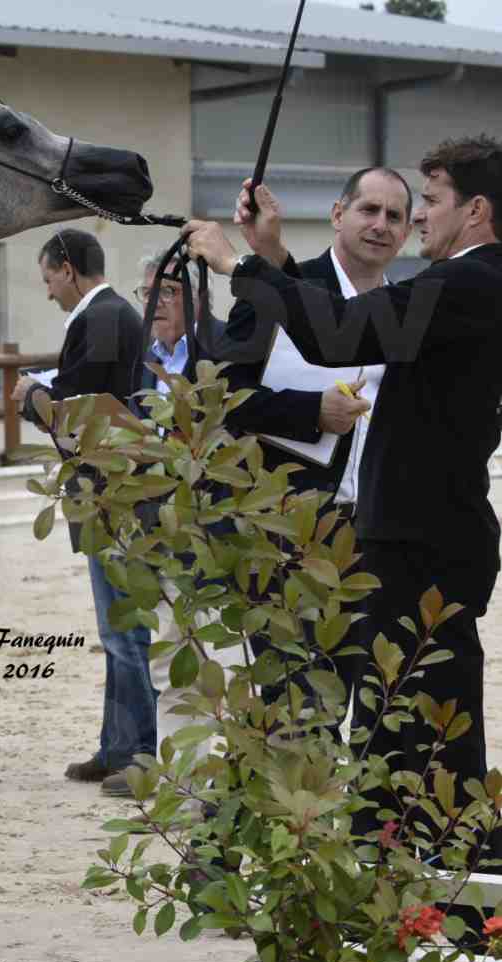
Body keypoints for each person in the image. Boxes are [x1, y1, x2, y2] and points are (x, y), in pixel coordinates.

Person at [182, 135, 502, 860]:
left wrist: (239, 264)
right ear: (336, 214)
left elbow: (339, 335)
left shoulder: (464, 284)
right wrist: (275, 259)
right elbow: (335, 329)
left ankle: (427, 870)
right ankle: (377, 860)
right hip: (375, 538)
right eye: (382, 206)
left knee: (412, 727)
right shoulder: (460, 285)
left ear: (475, 209)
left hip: (418, 545)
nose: (413, 219)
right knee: (369, 720)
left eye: (428, 201)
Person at [214, 168, 412, 699]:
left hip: (372, 535)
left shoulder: (409, 311)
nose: (381, 225)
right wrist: (309, 412)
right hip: (285, 528)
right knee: (289, 694)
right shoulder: (285, 289)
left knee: (348, 692)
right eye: (368, 210)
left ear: (410, 232)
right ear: (337, 214)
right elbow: (219, 393)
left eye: (395, 216)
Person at [11, 229, 157, 798]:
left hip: (113, 493)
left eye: (49, 279)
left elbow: (78, 408)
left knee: (125, 630)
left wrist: (29, 397)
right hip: (110, 491)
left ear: (68, 269)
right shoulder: (112, 316)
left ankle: (138, 752)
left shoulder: (101, 319)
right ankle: (116, 746)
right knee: (114, 628)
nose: (49, 292)